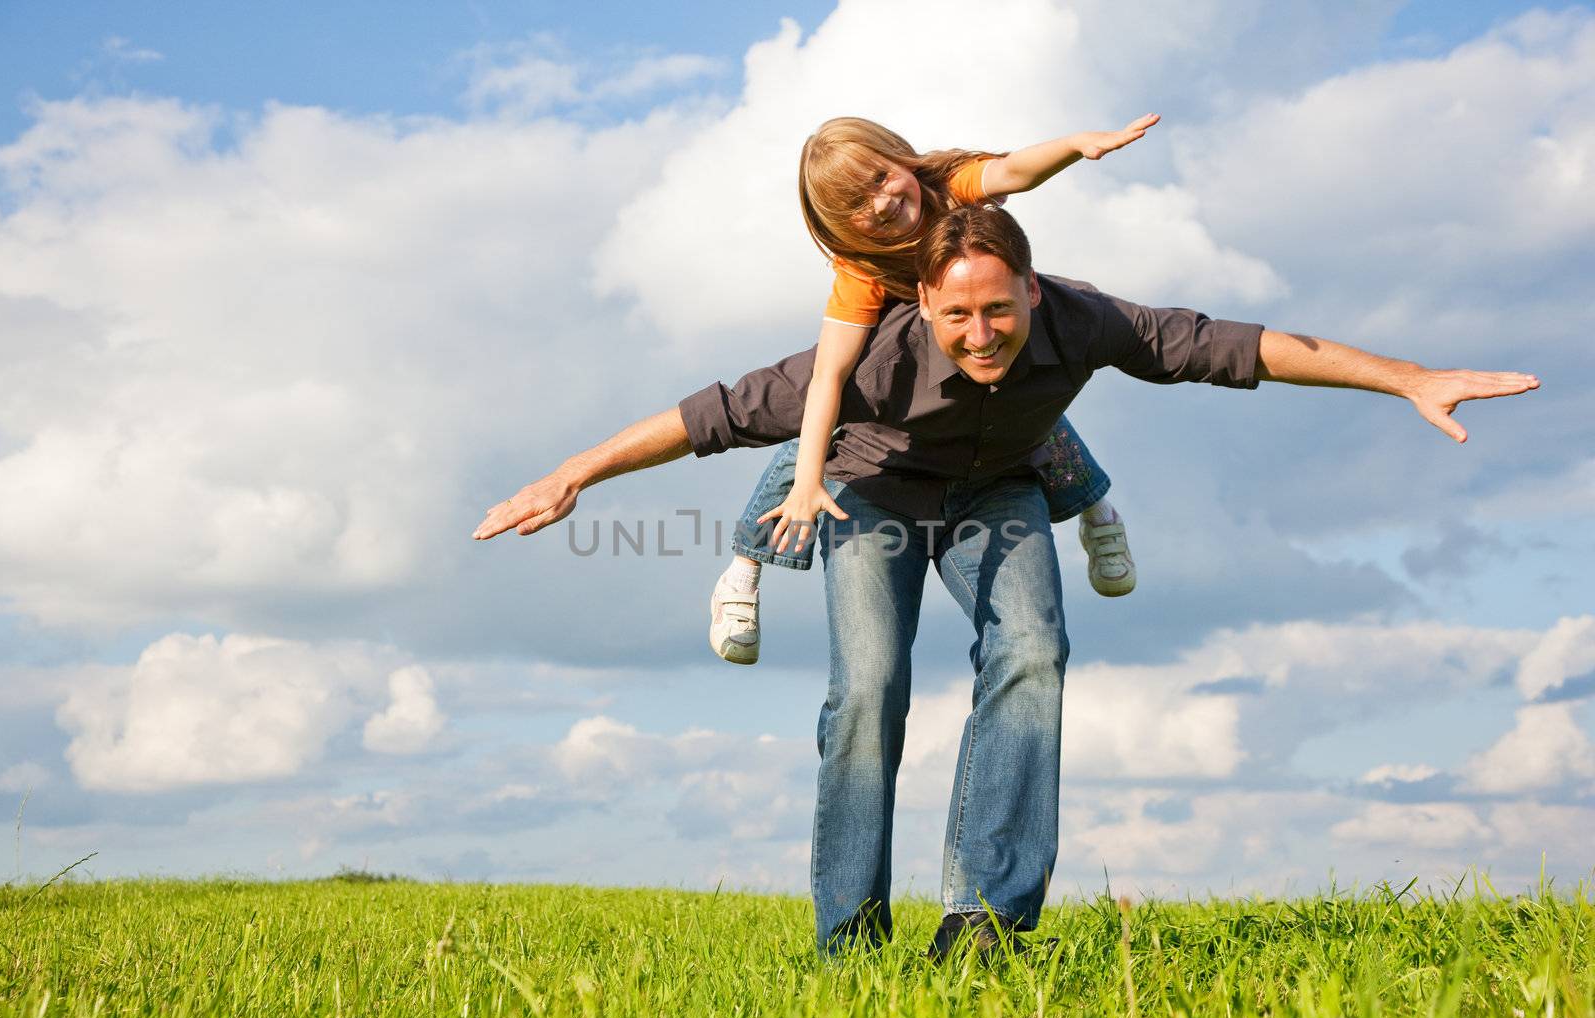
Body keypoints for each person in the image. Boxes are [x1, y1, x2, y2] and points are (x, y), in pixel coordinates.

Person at [474, 206, 1538, 957]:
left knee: (1031, 654)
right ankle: (849, 936)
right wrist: (571, 473)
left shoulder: (1084, 319)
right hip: (872, 497)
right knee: (869, 692)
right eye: (956, 317)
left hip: (1001, 494)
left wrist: (1406, 376)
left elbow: (1242, 348)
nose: (981, 334)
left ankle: (981, 922)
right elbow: (708, 416)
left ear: (1029, 288)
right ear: (922, 306)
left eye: (1000, 310)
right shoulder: (871, 358)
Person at [710, 115, 1161, 666]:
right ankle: (745, 565)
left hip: (986, 351)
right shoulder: (864, 269)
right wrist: (807, 479)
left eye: (879, 178)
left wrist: (1073, 145)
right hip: (901, 394)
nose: (880, 203)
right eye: (857, 202)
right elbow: (826, 377)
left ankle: (1096, 509)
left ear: (901, 158)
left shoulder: (947, 189)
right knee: (827, 413)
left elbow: (1013, 171)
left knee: (1022, 396)